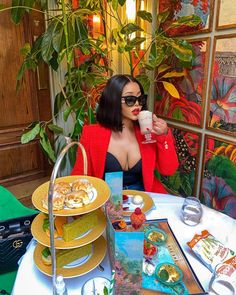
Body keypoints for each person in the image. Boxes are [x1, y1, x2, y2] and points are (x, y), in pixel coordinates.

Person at [71, 74, 178, 193]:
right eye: (130, 99)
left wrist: (164, 136)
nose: (138, 104)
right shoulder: (91, 134)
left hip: (144, 198)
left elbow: (169, 170)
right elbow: (79, 177)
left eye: (140, 98)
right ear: (113, 100)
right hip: (108, 200)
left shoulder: (148, 132)